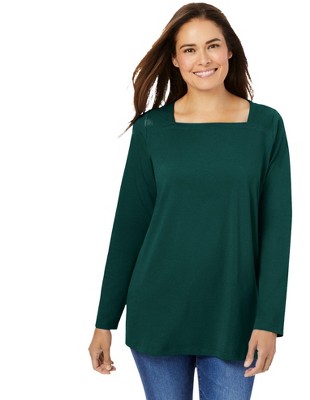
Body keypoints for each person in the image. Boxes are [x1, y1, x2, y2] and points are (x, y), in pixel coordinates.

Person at [88, 2, 292, 399]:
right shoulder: (152, 130)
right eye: (189, 49)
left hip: (233, 316)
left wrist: (269, 320)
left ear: (229, 50)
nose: (203, 59)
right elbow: (129, 228)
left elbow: (276, 230)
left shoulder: (266, 126)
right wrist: (104, 321)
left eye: (212, 45)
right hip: (158, 312)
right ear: (175, 60)